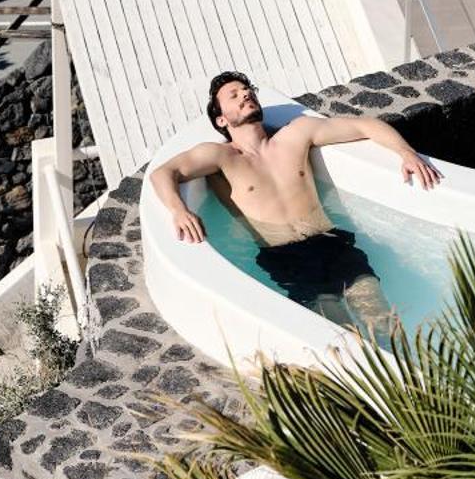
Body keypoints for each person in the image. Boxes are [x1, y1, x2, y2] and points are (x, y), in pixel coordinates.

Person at [148, 71, 442, 332]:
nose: (245, 94)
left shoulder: (295, 135)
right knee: (340, 331)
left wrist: (406, 153)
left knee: (382, 317)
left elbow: (365, 125)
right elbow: (164, 173)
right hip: (286, 257)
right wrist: (178, 210)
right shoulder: (221, 157)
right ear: (221, 119)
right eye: (234, 95)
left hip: (332, 241)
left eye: (247, 90)